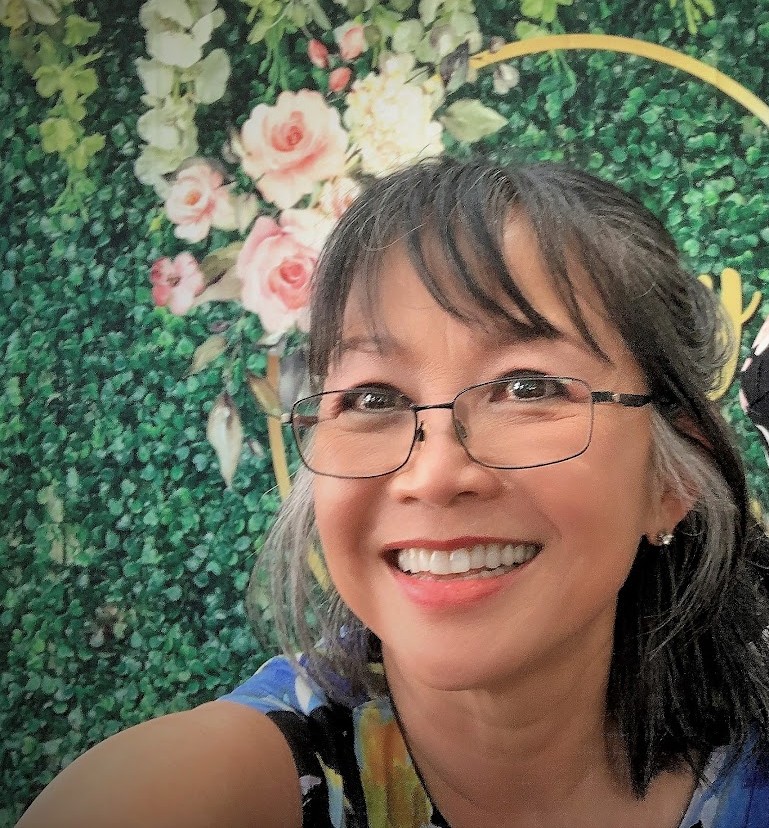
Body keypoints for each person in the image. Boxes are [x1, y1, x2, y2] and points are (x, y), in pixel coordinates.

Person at [18, 157, 769, 828]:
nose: (434, 475)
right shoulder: (197, 791)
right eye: (372, 399)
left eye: (526, 387)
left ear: (672, 480)